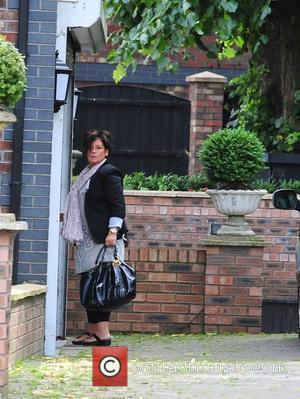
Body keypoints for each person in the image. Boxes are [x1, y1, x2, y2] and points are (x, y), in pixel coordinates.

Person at [62, 129, 127, 346]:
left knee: (100, 285)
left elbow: (118, 206)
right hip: (87, 239)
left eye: (98, 147)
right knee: (90, 284)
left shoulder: (109, 173)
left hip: (104, 239)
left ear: (106, 151)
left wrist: (113, 232)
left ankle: (103, 334)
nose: (93, 151)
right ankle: (92, 331)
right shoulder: (86, 173)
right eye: (90, 148)